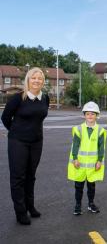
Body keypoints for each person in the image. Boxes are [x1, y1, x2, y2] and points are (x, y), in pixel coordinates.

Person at [1, 67, 49, 225]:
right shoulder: (17, 98)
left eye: (39, 78)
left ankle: (30, 206)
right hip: (18, 142)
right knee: (18, 178)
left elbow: (39, 118)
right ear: (28, 80)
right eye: (33, 78)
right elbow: (5, 118)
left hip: (37, 142)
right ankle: (20, 212)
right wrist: (16, 133)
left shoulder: (45, 98)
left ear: (43, 81)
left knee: (31, 175)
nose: (36, 81)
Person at [67, 101, 106, 215]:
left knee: (91, 187)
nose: (90, 116)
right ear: (84, 115)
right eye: (88, 114)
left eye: (93, 114)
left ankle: (91, 204)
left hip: (93, 165)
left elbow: (101, 147)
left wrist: (99, 160)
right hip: (79, 164)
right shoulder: (78, 129)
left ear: (97, 116)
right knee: (78, 186)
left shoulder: (100, 130)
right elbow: (75, 145)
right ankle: (78, 205)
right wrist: (75, 158)